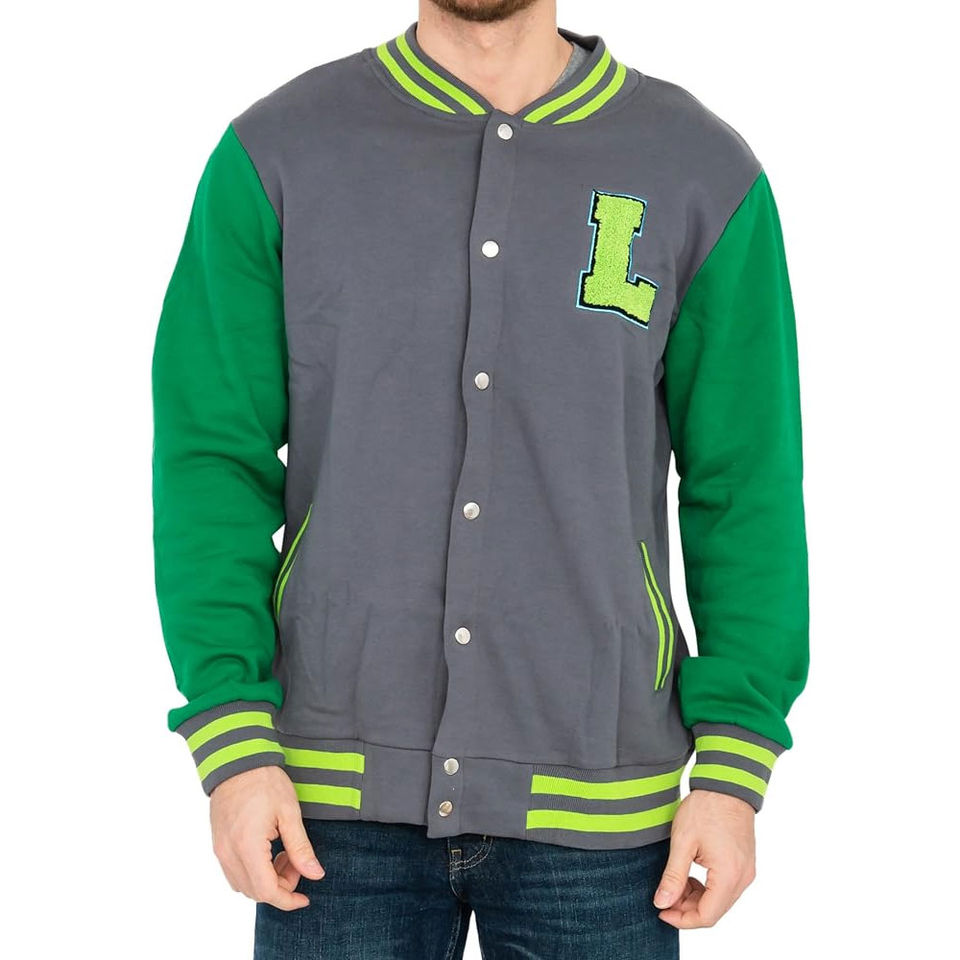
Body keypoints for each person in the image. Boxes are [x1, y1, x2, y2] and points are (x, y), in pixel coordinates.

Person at [150, 0, 808, 956]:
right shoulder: (280, 152)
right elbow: (211, 459)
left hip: (603, 800)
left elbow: (745, 485)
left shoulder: (698, 169)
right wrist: (231, 740)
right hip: (325, 805)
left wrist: (735, 762)